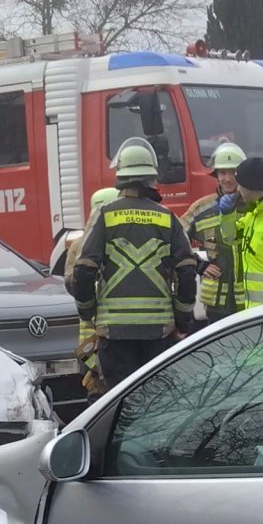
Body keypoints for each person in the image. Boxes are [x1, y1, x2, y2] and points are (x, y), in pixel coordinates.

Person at [69, 143, 195, 385]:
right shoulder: (167, 217)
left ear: (121, 177)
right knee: (156, 400)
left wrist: (87, 311)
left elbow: (84, 269)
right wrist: (182, 319)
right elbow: (187, 272)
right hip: (158, 334)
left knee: (120, 399)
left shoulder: (104, 215)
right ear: (151, 177)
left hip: (115, 334)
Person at [202, 157, 263, 315]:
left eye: (240, 185)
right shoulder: (255, 214)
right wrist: (227, 215)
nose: (237, 190)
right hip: (255, 314)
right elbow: (230, 238)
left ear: (250, 187)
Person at [184, 143, 246, 316]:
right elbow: (174, 239)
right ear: (216, 176)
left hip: (249, 301)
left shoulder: (254, 206)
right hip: (216, 304)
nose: (228, 179)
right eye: (223, 173)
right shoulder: (201, 209)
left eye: (233, 173)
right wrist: (199, 264)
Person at [73, 184, 120, 394]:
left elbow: (72, 282)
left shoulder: (82, 244)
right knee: (100, 383)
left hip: (92, 332)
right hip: (100, 331)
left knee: (100, 383)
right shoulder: (87, 244)